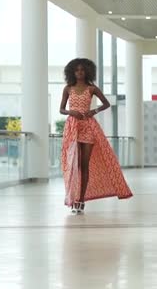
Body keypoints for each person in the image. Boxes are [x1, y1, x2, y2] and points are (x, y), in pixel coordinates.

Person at [59, 58, 133, 214]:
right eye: (77, 70)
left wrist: (94, 111)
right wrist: (70, 112)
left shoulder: (92, 89)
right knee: (75, 164)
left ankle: (81, 200)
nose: (80, 72)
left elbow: (106, 103)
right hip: (73, 128)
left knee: (84, 165)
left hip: (88, 127)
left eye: (82, 70)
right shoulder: (68, 88)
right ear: (72, 72)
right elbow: (61, 109)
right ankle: (73, 197)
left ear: (87, 71)